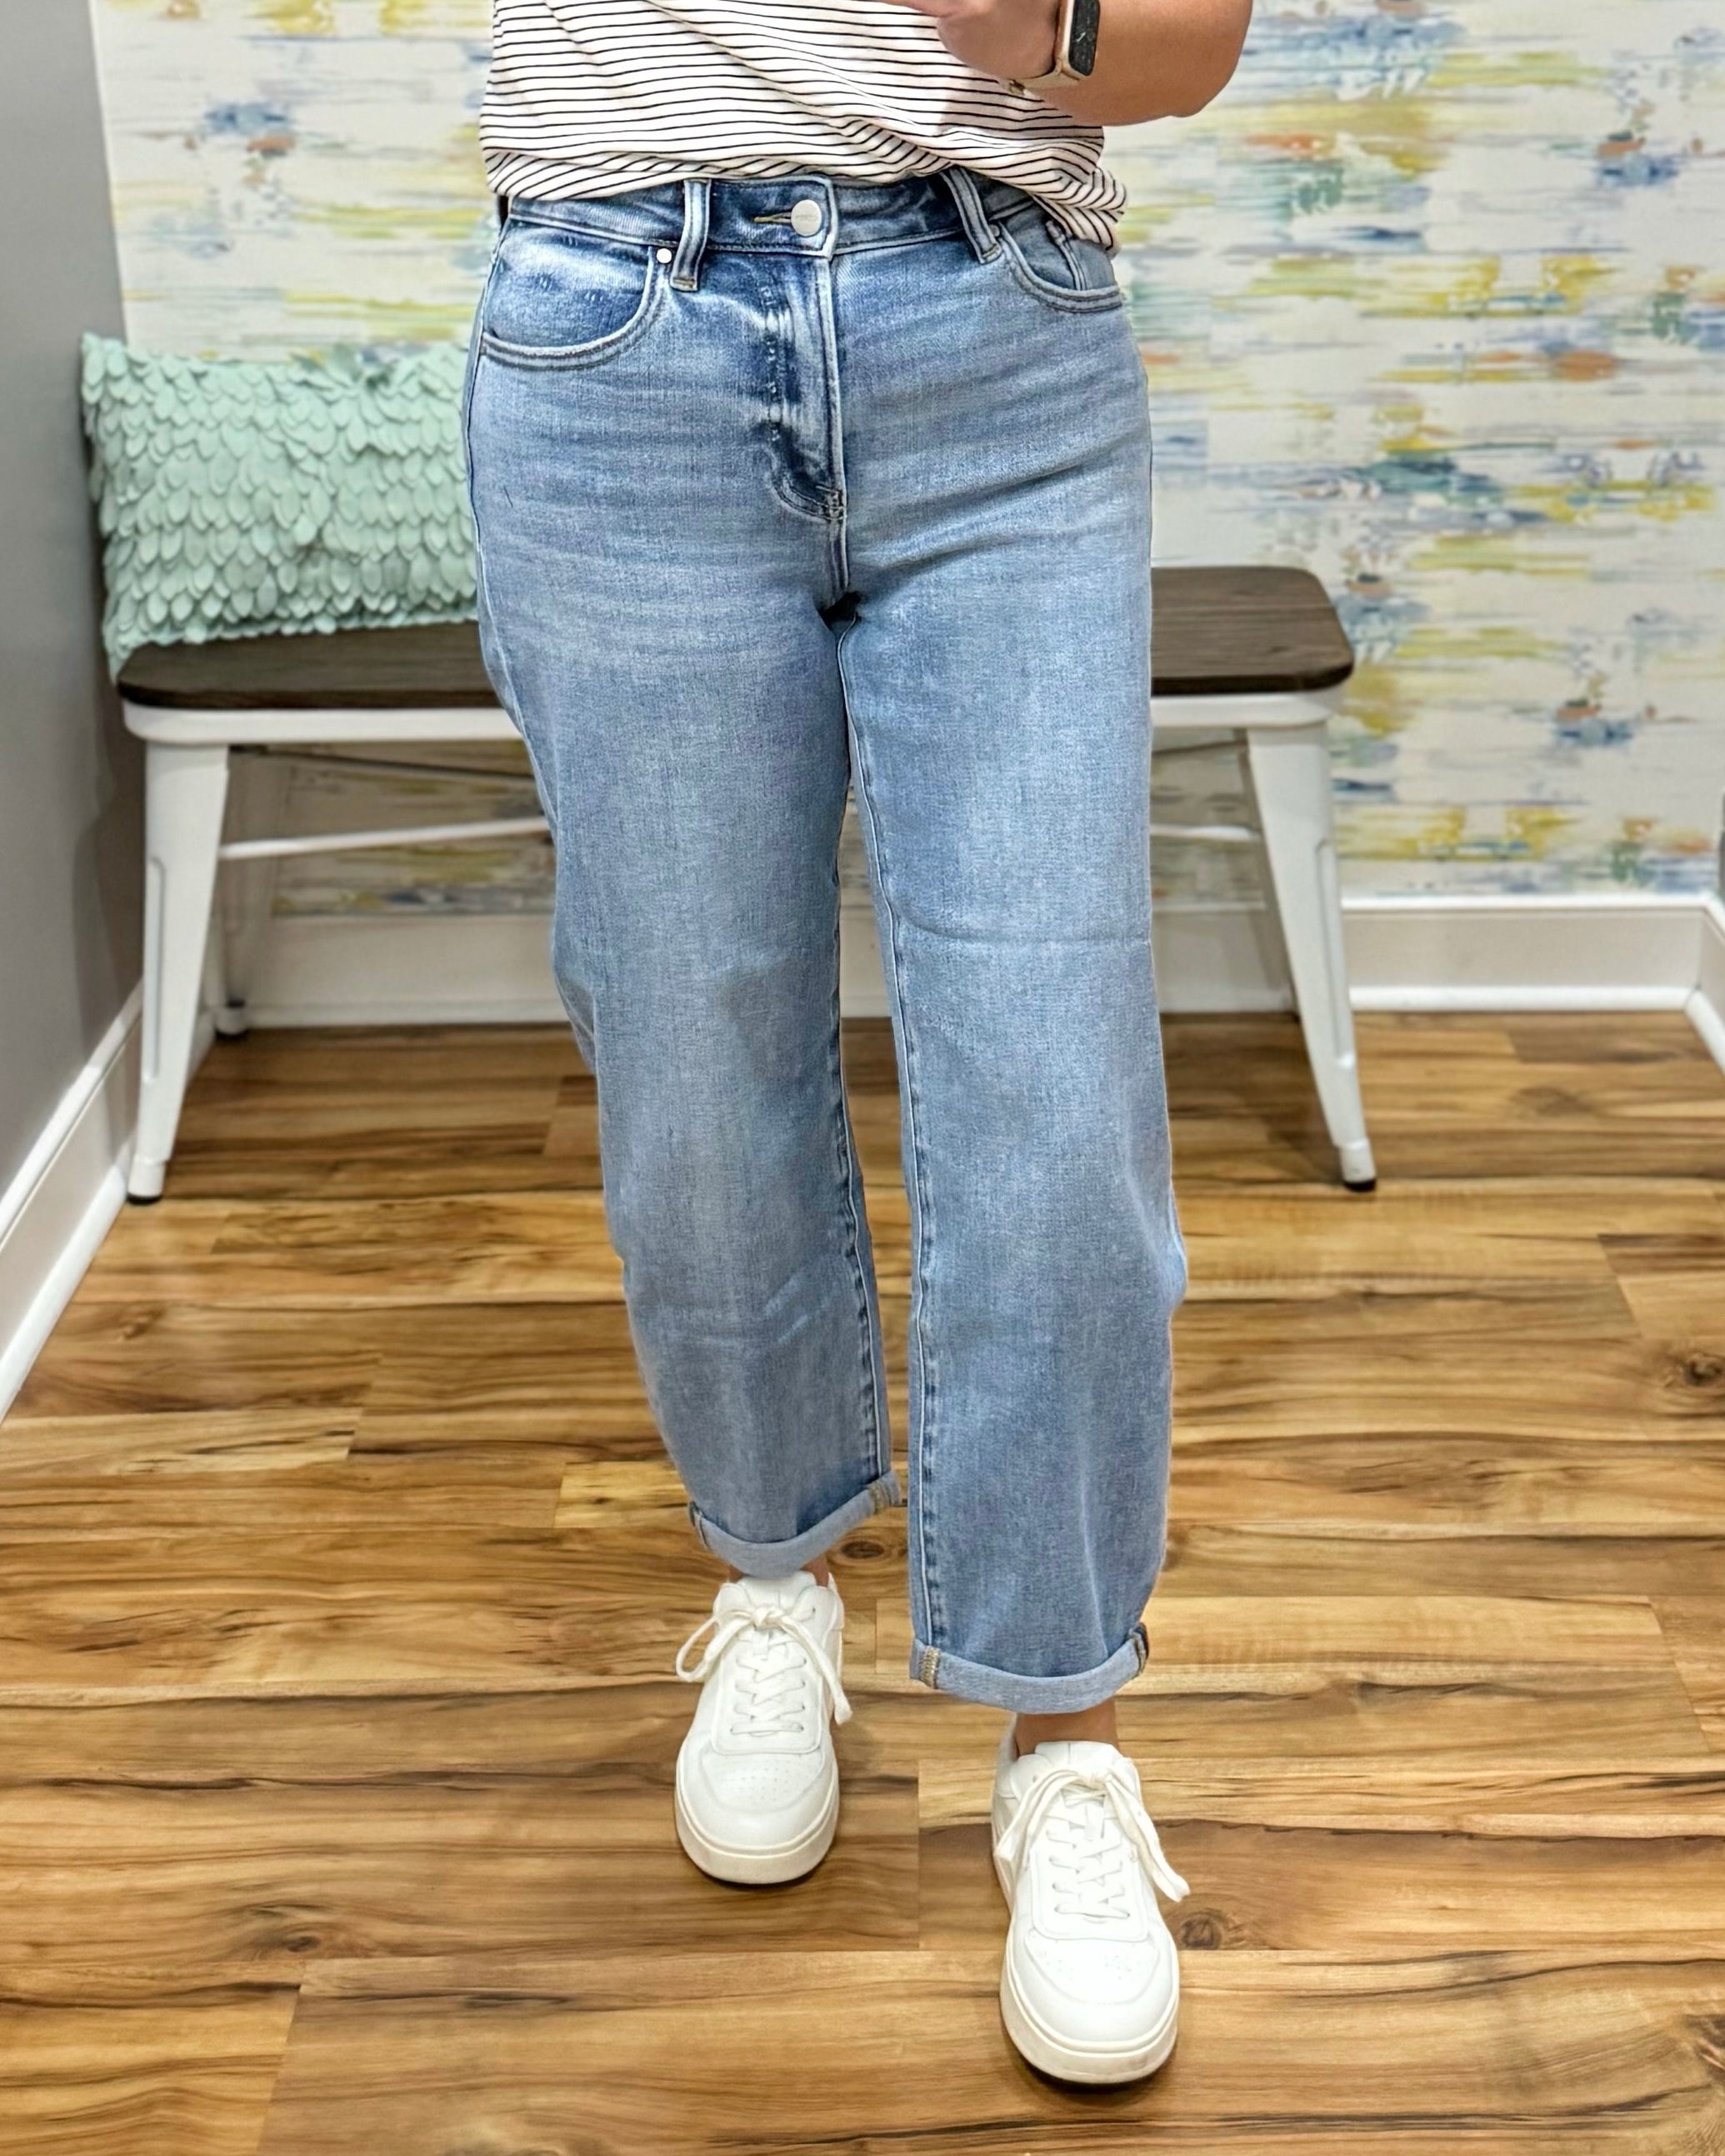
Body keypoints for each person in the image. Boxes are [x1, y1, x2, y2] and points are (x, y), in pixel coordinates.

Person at [467, 0, 1251, 2085]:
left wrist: (1026, 18)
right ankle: (773, 1585)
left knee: (1056, 1088)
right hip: (609, 330)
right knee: (693, 1062)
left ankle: (1064, 1737)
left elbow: (1188, 47)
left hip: (993, 321)